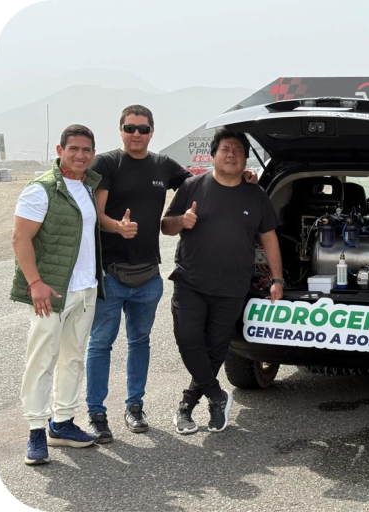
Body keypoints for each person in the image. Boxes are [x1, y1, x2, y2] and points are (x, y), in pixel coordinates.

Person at [84, 105, 194, 442]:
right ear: (120, 129)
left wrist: (243, 178)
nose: (136, 134)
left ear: (152, 131)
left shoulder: (162, 165)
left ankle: (134, 407)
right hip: (110, 273)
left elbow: (198, 185)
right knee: (101, 343)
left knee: (140, 342)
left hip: (148, 275)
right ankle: (97, 414)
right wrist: (118, 227)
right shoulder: (106, 163)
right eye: (130, 128)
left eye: (143, 129)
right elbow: (95, 213)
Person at [162, 129, 283, 433]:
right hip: (190, 281)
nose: (232, 155)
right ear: (213, 155)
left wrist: (277, 278)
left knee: (216, 350)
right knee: (188, 340)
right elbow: (166, 225)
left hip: (232, 286)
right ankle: (216, 395)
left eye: (239, 151)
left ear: (245, 159)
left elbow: (269, 239)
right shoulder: (192, 186)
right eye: (226, 149)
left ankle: (188, 405)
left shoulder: (256, 194)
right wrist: (181, 222)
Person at [13, 124, 103, 464]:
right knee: (42, 359)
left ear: (92, 154)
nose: (80, 155)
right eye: (73, 149)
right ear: (60, 150)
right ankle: (36, 429)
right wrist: (35, 283)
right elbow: (20, 239)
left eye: (86, 150)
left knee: (73, 358)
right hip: (50, 292)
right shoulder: (41, 189)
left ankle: (62, 423)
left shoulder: (87, 187)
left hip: (86, 289)